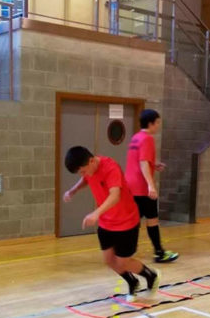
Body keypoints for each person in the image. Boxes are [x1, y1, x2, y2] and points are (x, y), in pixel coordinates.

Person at [63, 146, 161, 301]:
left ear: (91, 161)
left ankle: (151, 276)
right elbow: (86, 179)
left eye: (83, 171)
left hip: (126, 222)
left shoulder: (110, 168)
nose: (83, 174)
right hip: (106, 223)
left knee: (123, 263)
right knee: (109, 260)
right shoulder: (89, 169)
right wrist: (73, 190)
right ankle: (133, 282)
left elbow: (115, 196)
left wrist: (96, 213)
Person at [125, 109, 178, 263]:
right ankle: (159, 253)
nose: (158, 125)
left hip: (130, 186)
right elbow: (142, 163)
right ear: (150, 123)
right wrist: (151, 186)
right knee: (152, 220)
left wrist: (153, 165)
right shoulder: (147, 139)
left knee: (134, 221)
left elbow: (139, 160)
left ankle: (126, 252)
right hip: (141, 187)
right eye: (157, 122)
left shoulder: (135, 137)